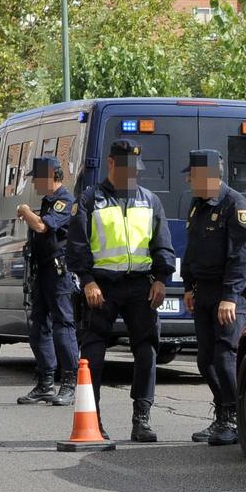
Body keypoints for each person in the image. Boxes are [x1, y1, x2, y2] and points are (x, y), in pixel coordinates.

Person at [66, 139, 175, 443]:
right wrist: (87, 280)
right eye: (126, 168)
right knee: (94, 353)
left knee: (146, 350)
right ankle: (93, 418)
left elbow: (162, 244)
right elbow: (76, 246)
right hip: (102, 287)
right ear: (111, 164)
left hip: (140, 285)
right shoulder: (90, 200)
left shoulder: (149, 200)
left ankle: (142, 418)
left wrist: (161, 279)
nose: (132, 176)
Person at [180, 149, 246, 446]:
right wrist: (188, 285)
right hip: (204, 291)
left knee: (225, 358)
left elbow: (242, 255)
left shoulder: (234, 204)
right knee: (205, 360)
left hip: (227, 294)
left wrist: (231, 296)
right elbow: (192, 249)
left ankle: (235, 418)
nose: (187, 179)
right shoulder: (197, 205)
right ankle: (223, 414)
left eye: (191, 174)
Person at [16, 156, 79, 407]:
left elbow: (43, 227)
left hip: (58, 272)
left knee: (63, 326)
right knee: (38, 327)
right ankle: (46, 383)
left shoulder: (65, 200)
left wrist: (25, 211)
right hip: (42, 271)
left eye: (38, 178)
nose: (35, 183)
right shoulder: (48, 201)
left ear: (52, 176)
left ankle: (69, 382)